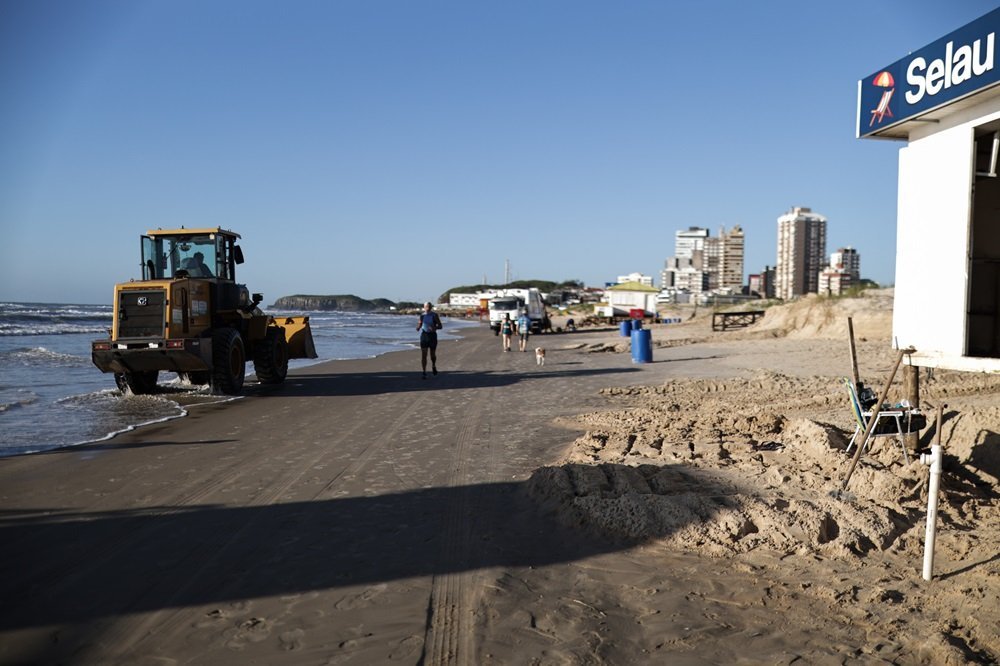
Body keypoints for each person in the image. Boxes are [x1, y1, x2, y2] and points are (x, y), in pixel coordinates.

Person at [416, 301, 442, 378]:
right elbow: (420, 323)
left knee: (432, 354)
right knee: (424, 354)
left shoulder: (434, 315)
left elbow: (440, 326)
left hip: (432, 336)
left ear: (431, 307)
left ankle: (433, 365)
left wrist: (435, 327)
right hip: (424, 335)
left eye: (429, 307)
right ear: (424, 307)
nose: (427, 308)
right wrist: (418, 327)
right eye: (426, 306)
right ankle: (424, 372)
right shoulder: (422, 315)